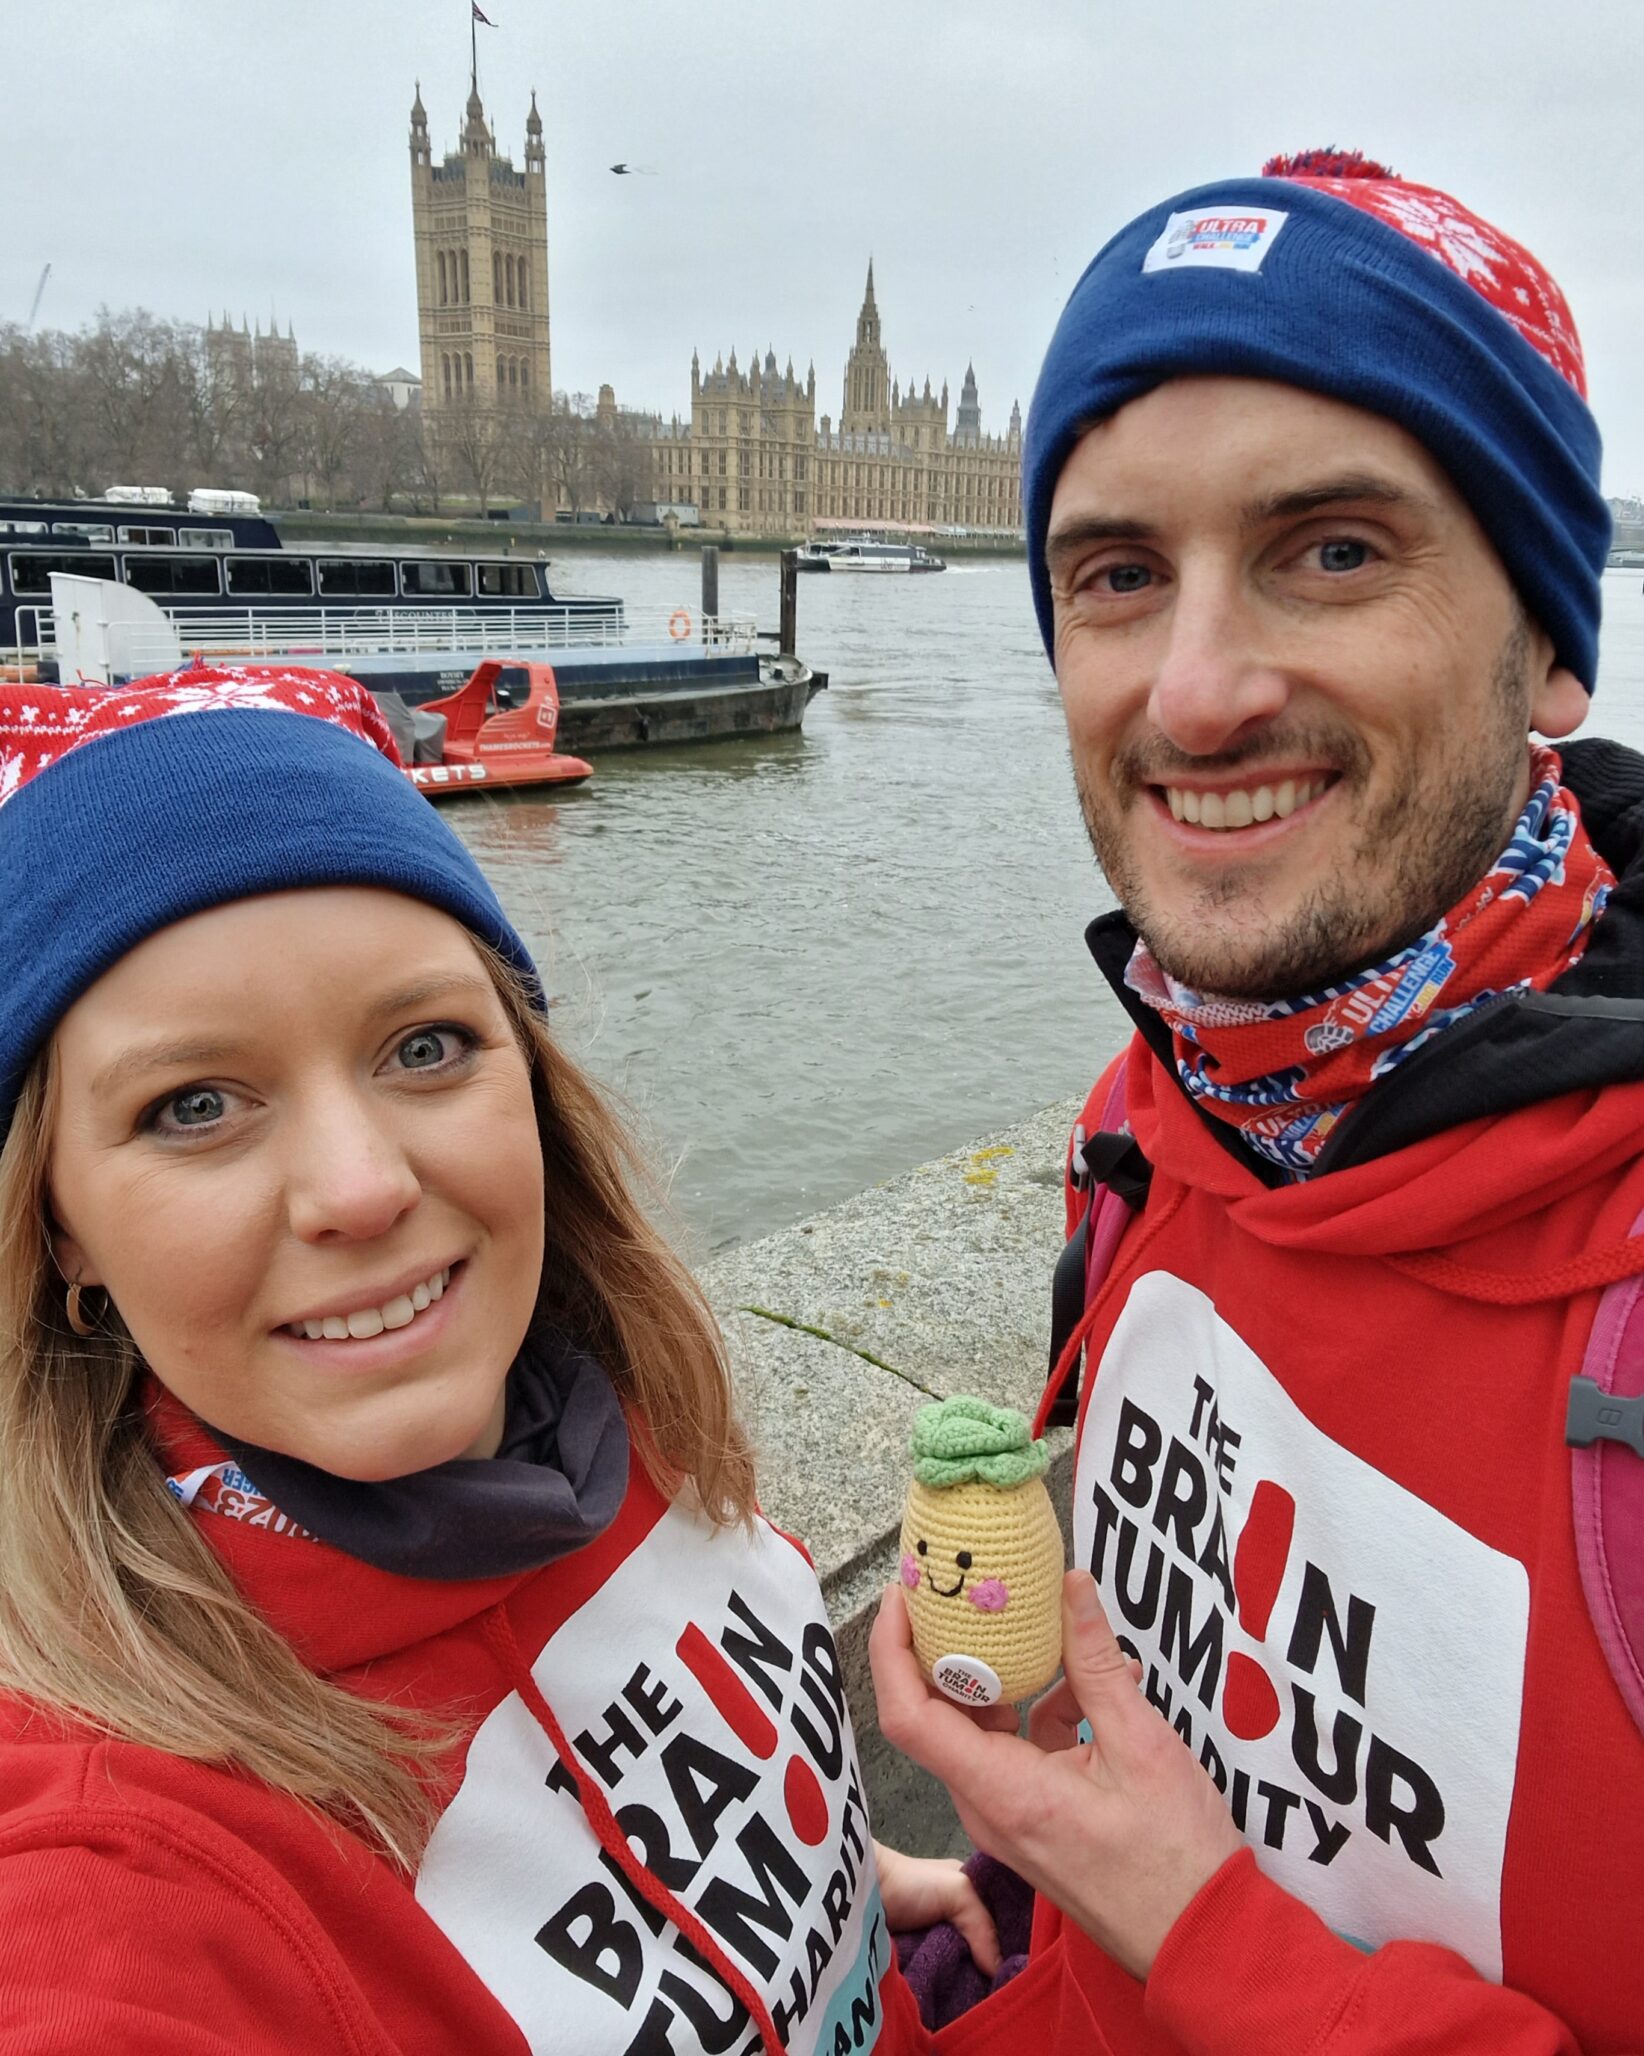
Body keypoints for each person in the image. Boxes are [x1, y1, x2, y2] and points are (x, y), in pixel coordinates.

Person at [870, 152, 1644, 2050]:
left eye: (1333, 549)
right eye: (1120, 576)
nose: (1196, 691)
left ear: (1550, 641)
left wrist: (1197, 1926)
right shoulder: (1161, 1104)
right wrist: (1026, 1894)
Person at [0, 665, 990, 2052]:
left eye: (423, 1045)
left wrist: (850, 1894)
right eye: (195, 1105)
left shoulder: (614, 1406)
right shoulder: (125, 1875)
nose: (358, 1188)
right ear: (60, 1228)